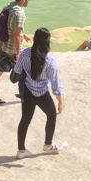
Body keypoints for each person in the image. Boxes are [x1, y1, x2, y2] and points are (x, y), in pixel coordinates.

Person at [14, 28, 66, 157]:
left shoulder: (25, 54)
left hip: (27, 91)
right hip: (43, 93)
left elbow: (17, 69)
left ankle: (21, 150)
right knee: (52, 115)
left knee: (25, 120)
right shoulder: (50, 61)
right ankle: (48, 145)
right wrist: (60, 100)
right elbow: (56, 83)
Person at [0, 0, 32, 105]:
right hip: (13, 48)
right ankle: (25, 96)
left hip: (2, 45)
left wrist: (24, 35)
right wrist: (18, 53)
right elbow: (16, 34)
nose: (29, 1)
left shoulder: (8, 7)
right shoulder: (20, 13)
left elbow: (10, 27)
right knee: (26, 70)